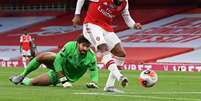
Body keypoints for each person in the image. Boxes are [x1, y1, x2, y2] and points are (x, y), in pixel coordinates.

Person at [72, 0, 142, 92]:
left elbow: (127, 18)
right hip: (92, 24)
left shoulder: (125, 3)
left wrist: (134, 25)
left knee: (121, 54)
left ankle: (109, 86)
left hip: (106, 27)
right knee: (104, 49)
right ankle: (119, 76)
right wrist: (77, 14)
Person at [9, 35, 99, 88]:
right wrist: (63, 80)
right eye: (83, 45)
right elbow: (58, 61)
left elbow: (94, 70)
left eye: (88, 46)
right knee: (43, 56)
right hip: (59, 68)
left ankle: (21, 80)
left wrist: (94, 82)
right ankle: (21, 75)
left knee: (32, 83)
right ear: (77, 43)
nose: (85, 48)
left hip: (68, 76)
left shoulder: (91, 57)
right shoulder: (70, 46)